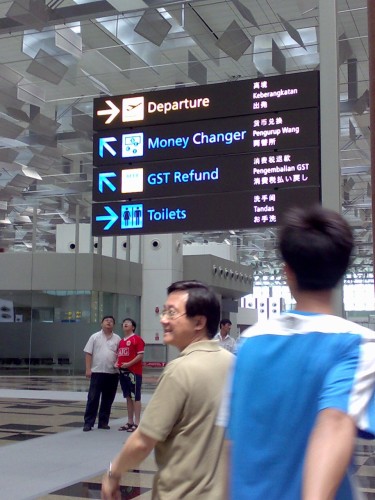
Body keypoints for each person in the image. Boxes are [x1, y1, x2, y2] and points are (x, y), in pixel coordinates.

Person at [220, 205, 375, 499]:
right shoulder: (358, 344)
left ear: (287, 271)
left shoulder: (248, 345)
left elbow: (231, 446)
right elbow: (335, 423)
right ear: (342, 271)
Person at [102, 280, 234, 499]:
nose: (163, 319)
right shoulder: (233, 364)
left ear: (199, 322)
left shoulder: (180, 370)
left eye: (172, 313)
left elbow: (143, 441)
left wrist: (113, 473)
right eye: (163, 312)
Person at [83, 315, 121, 432]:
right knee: (93, 398)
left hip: (112, 373)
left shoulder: (117, 339)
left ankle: (103, 422)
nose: (109, 322)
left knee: (108, 399)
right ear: (101, 323)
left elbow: (121, 355)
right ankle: (88, 423)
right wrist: (88, 369)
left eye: (111, 321)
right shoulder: (94, 337)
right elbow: (88, 353)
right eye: (106, 321)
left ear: (113, 325)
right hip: (97, 371)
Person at [116, 317, 145, 433]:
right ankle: (130, 421)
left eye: (128, 323)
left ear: (133, 327)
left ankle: (137, 422)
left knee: (135, 397)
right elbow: (120, 355)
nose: (125, 324)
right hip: (123, 373)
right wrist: (117, 363)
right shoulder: (121, 341)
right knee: (128, 396)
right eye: (124, 323)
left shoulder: (137, 339)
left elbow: (140, 356)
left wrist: (129, 364)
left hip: (134, 373)